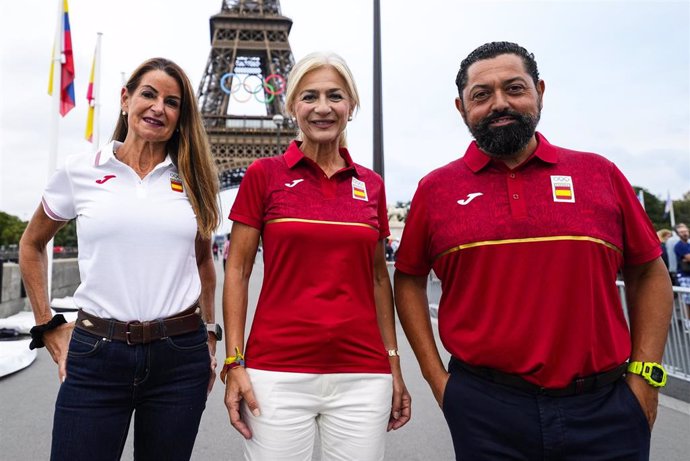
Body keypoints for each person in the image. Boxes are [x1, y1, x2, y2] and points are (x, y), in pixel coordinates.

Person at [394, 41, 673, 460]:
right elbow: (408, 280)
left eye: (515, 88)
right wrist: (439, 382)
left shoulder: (600, 173)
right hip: (486, 410)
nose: (499, 103)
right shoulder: (435, 190)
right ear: (460, 107)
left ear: (540, 91)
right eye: (481, 95)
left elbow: (650, 273)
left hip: (607, 407)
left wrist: (645, 379)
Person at [19, 57, 221, 460]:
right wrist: (47, 325)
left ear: (181, 117)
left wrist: (211, 335)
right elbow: (31, 244)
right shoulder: (80, 172)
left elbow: (203, 264)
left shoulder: (194, 181)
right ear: (125, 99)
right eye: (149, 94)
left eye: (172, 102)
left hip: (179, 356)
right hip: (97, 353)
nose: (158, 107)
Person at [222, 51, 411, 460]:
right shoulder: (264, 175)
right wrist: (234, 361)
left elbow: (380, 279)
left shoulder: (372, 185)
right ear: (292, 106)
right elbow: (236, 269)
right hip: (277, 373)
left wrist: (393, 363)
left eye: (335, 96)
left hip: (363, 374)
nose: (322, 107)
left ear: (351, 106)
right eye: (310, 97)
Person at [673, 223, 690, 331]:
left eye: (685, 231)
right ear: (678, 234)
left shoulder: (687, 244)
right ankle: (687, 322)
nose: (684, 233)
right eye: (682, 232)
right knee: (687, 302)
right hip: (684, 276)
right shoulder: (679, 245)